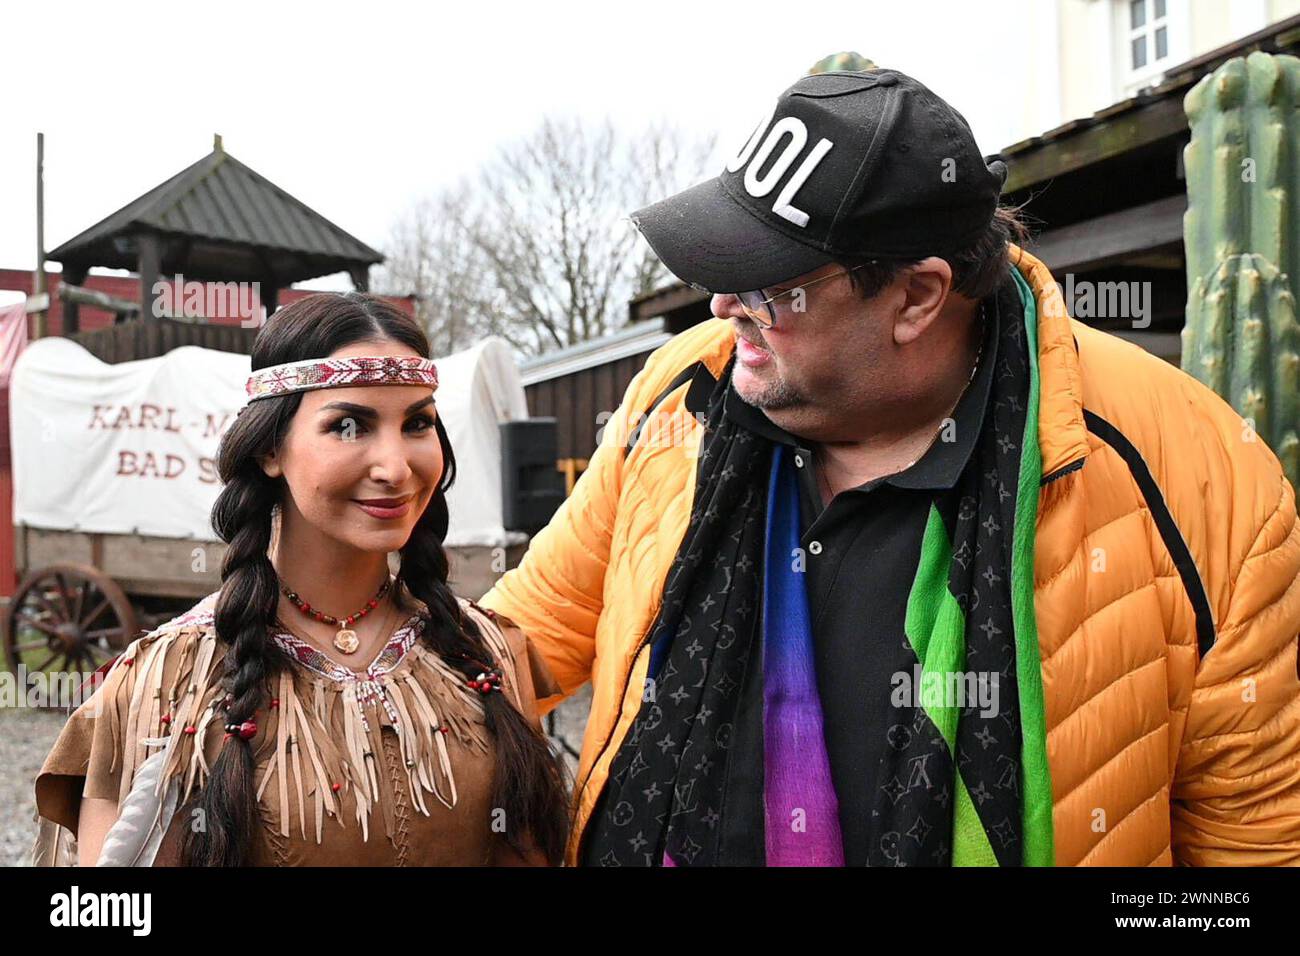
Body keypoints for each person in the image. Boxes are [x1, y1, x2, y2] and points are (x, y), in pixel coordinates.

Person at [480, 68, 1300, 866]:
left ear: (917, 297)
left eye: (767, 281)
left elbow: (1258, 845)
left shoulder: (1202, 479)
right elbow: (525, 638)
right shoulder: (678, 392)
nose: (721, 304)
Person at [34, 292, 568, 866]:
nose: (395, 467)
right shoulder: (166, 685)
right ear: (269, 448)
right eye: (348, 425)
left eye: (417, 422)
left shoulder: (488, 652)